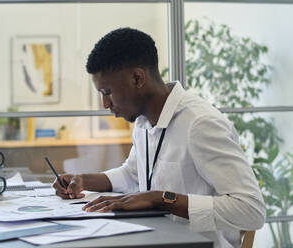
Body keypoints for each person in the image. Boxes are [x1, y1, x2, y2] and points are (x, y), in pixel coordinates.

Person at [53, 27, 266, 247]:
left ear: (137, 78)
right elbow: (134, 175)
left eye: (107, 92)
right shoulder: (143, 122)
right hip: (154, 239)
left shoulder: (201, 124)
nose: (105, 104)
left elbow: (251, 210)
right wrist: (85, 180)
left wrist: (161, 199)